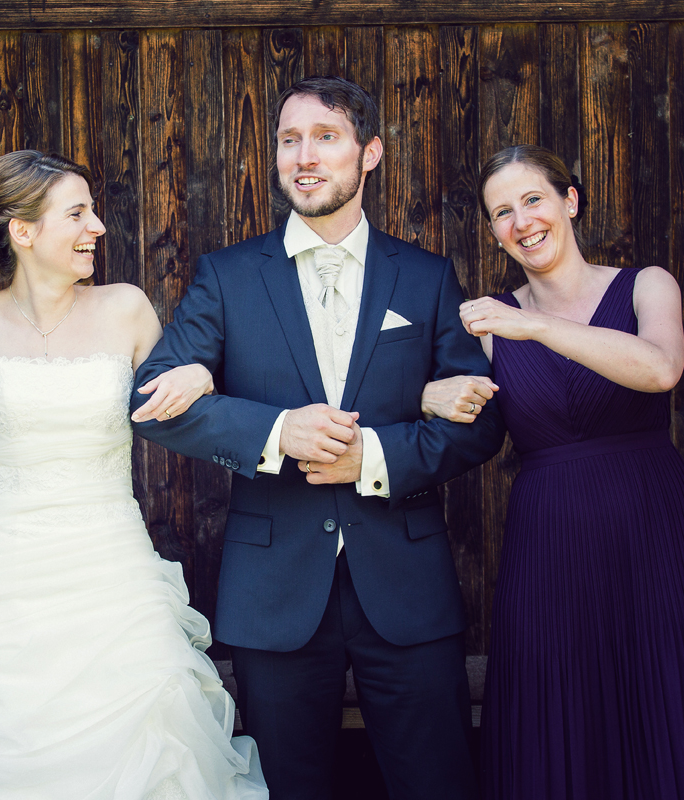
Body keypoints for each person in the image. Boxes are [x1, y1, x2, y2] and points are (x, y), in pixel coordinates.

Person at [131, 75, 506, 800]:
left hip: (408, 590)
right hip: (273, 595)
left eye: (326, 138)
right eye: (289, 139)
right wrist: (278, 431)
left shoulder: (425, 278)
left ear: (370, 153)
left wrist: (374, 456)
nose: (304, 156)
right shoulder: (227, 277)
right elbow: (151, 399)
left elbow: (483, 421)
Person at [0, 150, 268, 799]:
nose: (98, 228)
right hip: (4, 577)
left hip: (112, 568)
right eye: (78, 213)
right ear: (23, 231)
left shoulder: (126, 309)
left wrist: (200, 374)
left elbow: (186, 408)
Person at [421, 144, 684, 799]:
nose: (521, 221)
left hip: (655, 529)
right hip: (550, 539)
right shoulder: (488, 322)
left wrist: (532, 326)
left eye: (533, 199)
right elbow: (433, 402)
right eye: (502, 212)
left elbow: (660, 369)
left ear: (570, 201)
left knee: (666, 699)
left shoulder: (646, 285)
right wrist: (430, 395)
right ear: (494, 231)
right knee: (560, 710)